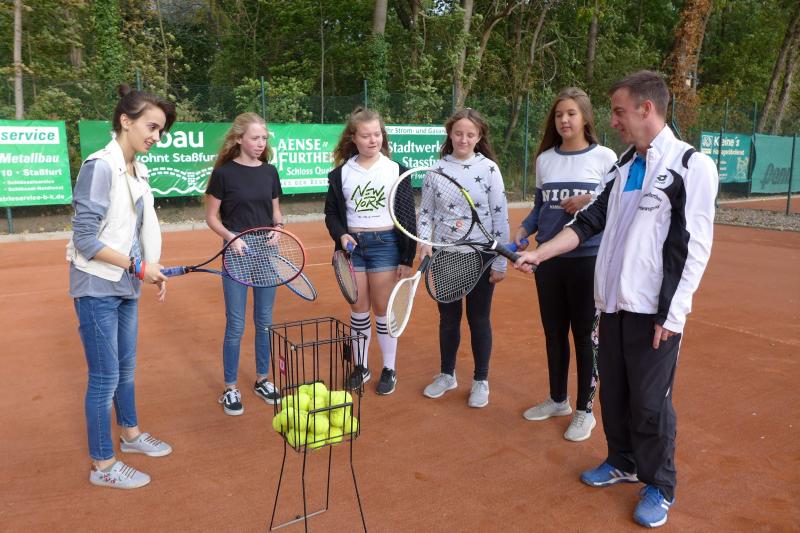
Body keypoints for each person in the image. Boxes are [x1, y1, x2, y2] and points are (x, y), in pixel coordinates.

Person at [514, 71, 717, 528]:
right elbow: (588, 222)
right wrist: (540, 253)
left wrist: (673, 314)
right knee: (615, 394)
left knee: (650, 402)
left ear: (647, 109)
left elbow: (694, 247)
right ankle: (622, 461)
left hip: (655, 312)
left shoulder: (690, 166)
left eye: (620, 111)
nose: (613, 120)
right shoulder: (623, 165)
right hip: (612, 305)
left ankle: (660, 484)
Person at [67, 85, 176, 489]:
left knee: (125, 370)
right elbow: (85, 239)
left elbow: (135, 231)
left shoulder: (137, 170)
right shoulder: (100, 167)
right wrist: (137, 265)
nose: (156, 136)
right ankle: (103, 464)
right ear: (125, 122)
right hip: (96, 286)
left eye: (161, 130)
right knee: (104, 377)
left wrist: (150, 267)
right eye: (152, 127)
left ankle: (130, 435)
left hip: (125, 284)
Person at [514, 87, 617, 442]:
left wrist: (588, 197)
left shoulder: (605, 157)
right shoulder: (545, 159)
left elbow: (612, 202)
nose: (564, 120)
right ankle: (558, 400)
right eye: (559, 114)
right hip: (548, 261)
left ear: (585, 117)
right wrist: (524, 230)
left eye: (571, 113)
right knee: (554, 333)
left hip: (588, 258)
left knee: (586, 337)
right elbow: (540, 208)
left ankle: (585, 411)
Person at [420, 108, 510, 408]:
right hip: (446, 254)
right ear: (450, 133)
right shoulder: (436, 170)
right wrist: (425, 243)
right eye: (458, 133)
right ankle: (447, 375)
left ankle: (481, 380)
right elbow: (426, 213)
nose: (464, 139)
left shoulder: (489, 169)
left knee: (479, 319)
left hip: (481, 255)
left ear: (479, 136)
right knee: (448, 319)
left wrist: (500, 260)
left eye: (470, 134)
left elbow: (500, 217)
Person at [324, 107, 416, 395]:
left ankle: (389, 368)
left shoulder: (396, 170)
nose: (373, 140)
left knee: (383, 309)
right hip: (353, 248)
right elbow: (332, 214)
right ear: (353, 138)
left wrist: (407, 257)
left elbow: (407, 216)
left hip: (385, 245)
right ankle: (361, 367)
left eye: (377, 134)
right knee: (358, 309)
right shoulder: (340, 174)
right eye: (366, 135)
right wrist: (341, 235)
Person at [205, 113, 284, 415]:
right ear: (239, 139)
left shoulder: (270, 172)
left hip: (266, 251)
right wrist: (231, 237)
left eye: (264, 138)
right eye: (255, 138)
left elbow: (276, 212)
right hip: (236, 250)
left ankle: (262, 379)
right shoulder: (224, 174)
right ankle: (230, 387)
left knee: (264, 321)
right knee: (236, 324)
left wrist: (278, 228)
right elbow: (211, 217)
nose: (261, 143)